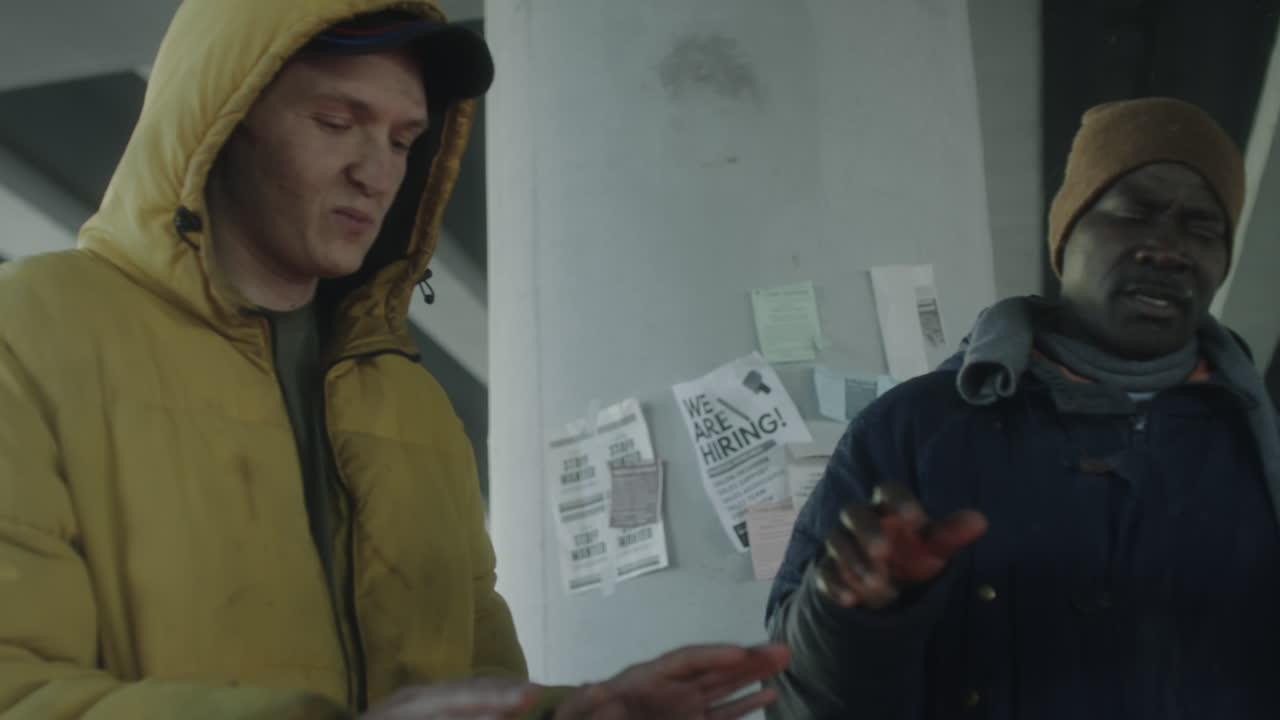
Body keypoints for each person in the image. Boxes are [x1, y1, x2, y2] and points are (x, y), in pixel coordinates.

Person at [0, 1, 787, 718]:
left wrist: (574, 712)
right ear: (219, 120)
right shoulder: (29, 331)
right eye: (337, 122)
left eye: (403, 140)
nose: (376, 173)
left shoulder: (413, 405)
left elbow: (469, 682)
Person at [765, 97, 1280, 719]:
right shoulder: (914, 429)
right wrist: (853, 616)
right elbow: (797, 702)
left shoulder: (1262, 442)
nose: (1167, 249)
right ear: (1067, 234)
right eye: (1136, 212)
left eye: (1202, 229)